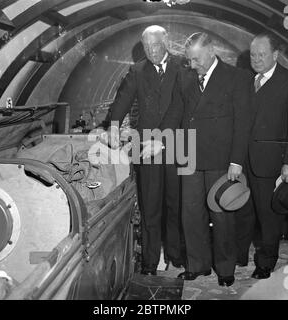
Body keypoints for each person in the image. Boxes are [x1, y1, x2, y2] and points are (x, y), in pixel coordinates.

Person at [171, 32, 252, 286]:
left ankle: (225, 268)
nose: (193, 66)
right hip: (190, 157)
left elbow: (243, 123)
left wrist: (236, 161)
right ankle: (198, 265)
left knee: (222, 215)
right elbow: (175, 112)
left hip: (222, 159)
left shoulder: (238, 78)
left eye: (196, 60)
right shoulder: (185, 77)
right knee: (191, 214)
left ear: (211, 50)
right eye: (189, 60)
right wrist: (156, 138)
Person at [107, 25, 185, 275]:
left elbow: (187, 103)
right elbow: (122, 100)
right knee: (150, 206)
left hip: (178, 145)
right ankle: (150, 262)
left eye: (156, 46)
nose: (151, 52)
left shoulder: (183, 65)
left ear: (166, 43)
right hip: (147, 147)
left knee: (175, 206)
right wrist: (113, 125)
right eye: (147, 47)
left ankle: (175, 256)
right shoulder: (137, 70)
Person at [236, 33, 288, 279]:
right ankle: (239, 256)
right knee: (244, 212)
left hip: (271, 163)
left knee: (269, 217)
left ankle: (265, 263)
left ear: (275, 55)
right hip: (243, 161)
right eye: (253, 54)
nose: (256, 59)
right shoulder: (246, 80)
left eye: (261, 54)